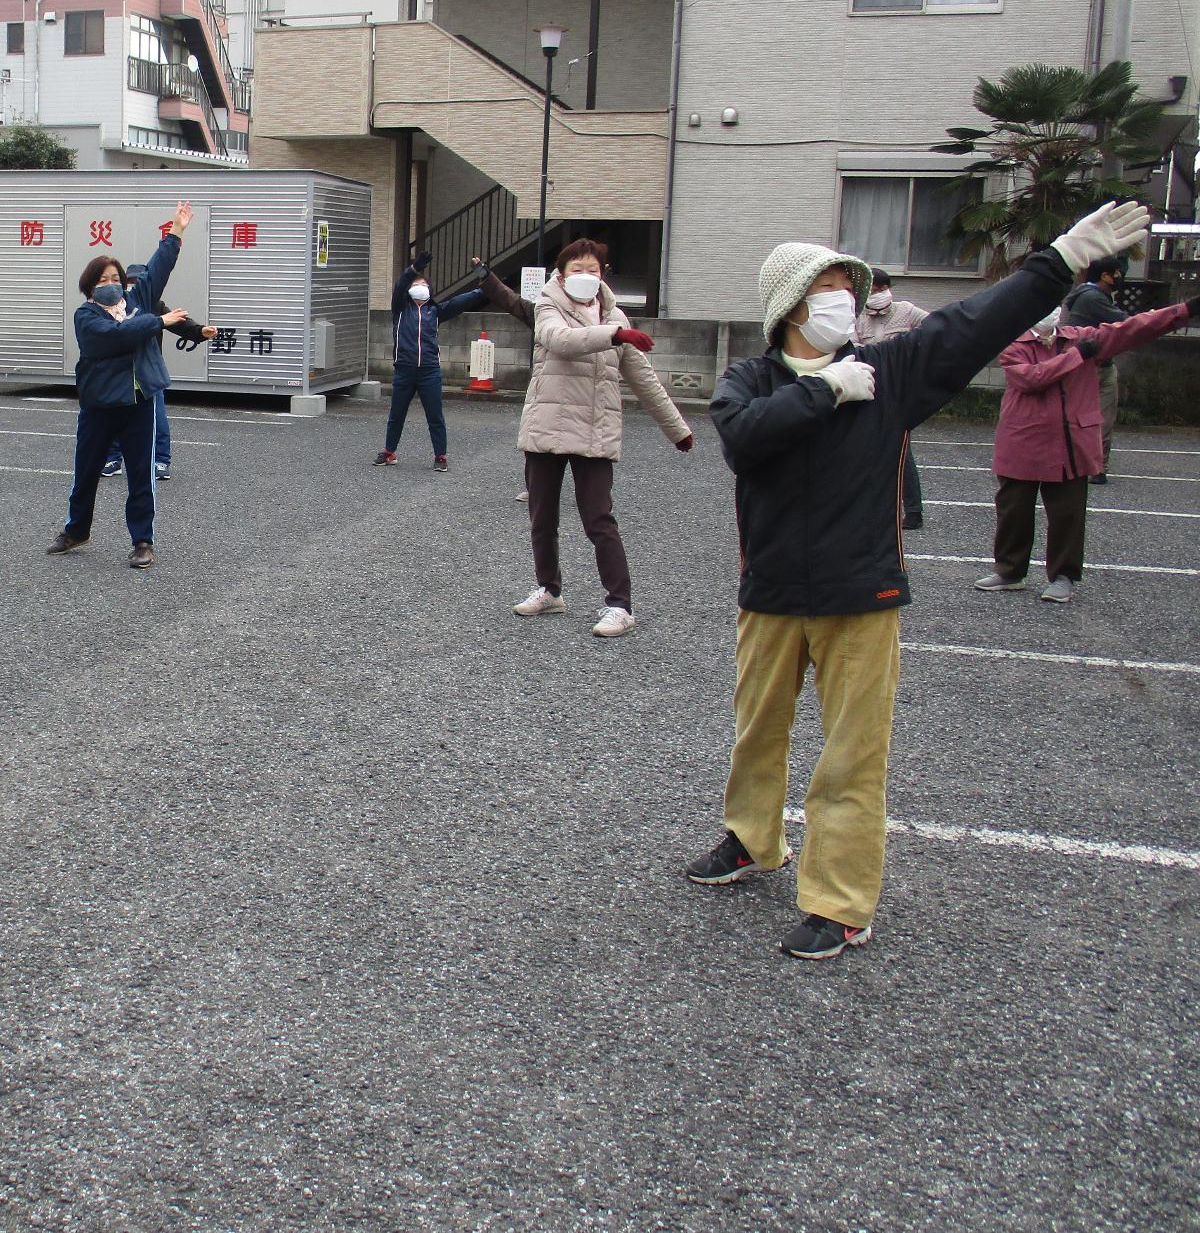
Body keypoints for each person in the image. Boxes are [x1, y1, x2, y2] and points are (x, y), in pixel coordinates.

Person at [684, 200, 1153, 961]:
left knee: (852, 755)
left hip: (862, 594)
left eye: (848, 285)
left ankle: (839, 902)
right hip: (768, 589)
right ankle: (750, 839)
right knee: (757, 731)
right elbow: (743, 438)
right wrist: (827, 390)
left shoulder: (890, 370)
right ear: (790, 304)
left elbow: (977, 320)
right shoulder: (752, 378)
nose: (846, 299)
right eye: (829, 287)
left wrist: (1060, 260)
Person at [473, 242, 692, 638]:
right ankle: (549, 589)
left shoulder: (615, 316)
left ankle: (619, 605)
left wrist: (676, 428)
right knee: (542, 518)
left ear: (603, 273)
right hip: (546, 425)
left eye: (593, 268)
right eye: (577, 268)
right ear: (560, 273)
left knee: (599, 520)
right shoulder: (547, 306)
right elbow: (560, 341)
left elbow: (643, 378)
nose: (585, 275)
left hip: (596, 429)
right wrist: (616, 334)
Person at [975, 293, 1197, 603]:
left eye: (1054, 306)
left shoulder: (1083, 338)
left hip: (1071, 444)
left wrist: (1184, 310)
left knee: (1068, 515)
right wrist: (1077, 356)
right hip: (1022, 441)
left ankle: (1064, 575)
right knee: (1014, 511)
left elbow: (1133, 328)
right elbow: (1031, 379)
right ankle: (1010, 570)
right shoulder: (1015, 345)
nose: (1049, 313)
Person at [46, 202, 191, 568]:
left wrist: (176, 231)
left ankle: (143, 541)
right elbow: (112, 337)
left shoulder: (138, 300)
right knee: (86, 470)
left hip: (139, 402)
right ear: (89, 285)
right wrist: (158, 321)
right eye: (103, 279)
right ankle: (76, 530)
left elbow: (160, 266)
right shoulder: (86, 315)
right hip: (98, 405)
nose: (111, 285)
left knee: (141, 475)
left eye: (115, 278)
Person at [102, 263, 216, 482]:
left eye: (139, 281)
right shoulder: (113, 306)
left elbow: (179, 323)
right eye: (131, 281)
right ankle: (113, 459)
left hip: (148, 373)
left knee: (157, 419)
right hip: (120, 374)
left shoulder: (154, 304)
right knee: (114, 417)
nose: (134, 285)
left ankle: (161, 461)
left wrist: (200, 331)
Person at [375, 249, 486, 471]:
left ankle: (440, 456)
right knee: (396, 414)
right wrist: (415, 269)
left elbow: (461, 301)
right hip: (404, 369)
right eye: (416, 284)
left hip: (429, 371)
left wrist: (485, 279)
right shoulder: (400, 308)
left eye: (424, 285)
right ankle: (389, 452)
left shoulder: (435, 311)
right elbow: (400, 285)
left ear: (430, 290)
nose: (420, 287)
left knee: (435, 415)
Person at [853, 268, 929, 530]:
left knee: (901, 452)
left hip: (899, 392)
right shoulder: (859, 317)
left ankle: (913, 511)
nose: (872, 296)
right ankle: (872, 510)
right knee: (866, 450)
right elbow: (851, 349)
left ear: (886, 289)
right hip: (868, 389)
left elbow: (933, 328)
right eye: (868, 292)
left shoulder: (906, 311)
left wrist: (911, 352)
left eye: (876, 290)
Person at [1063, 256, 1128, 483]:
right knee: (1100, 418)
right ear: (1105, 275)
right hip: (1093, 366)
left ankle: (1091, 465)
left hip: (1093, 363)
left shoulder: (1089, 295)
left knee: (1090, 417)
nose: (1120, 277)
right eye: (1117, 273)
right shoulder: (1092, 297)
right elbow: (1123, 322)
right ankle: (1094, 467)